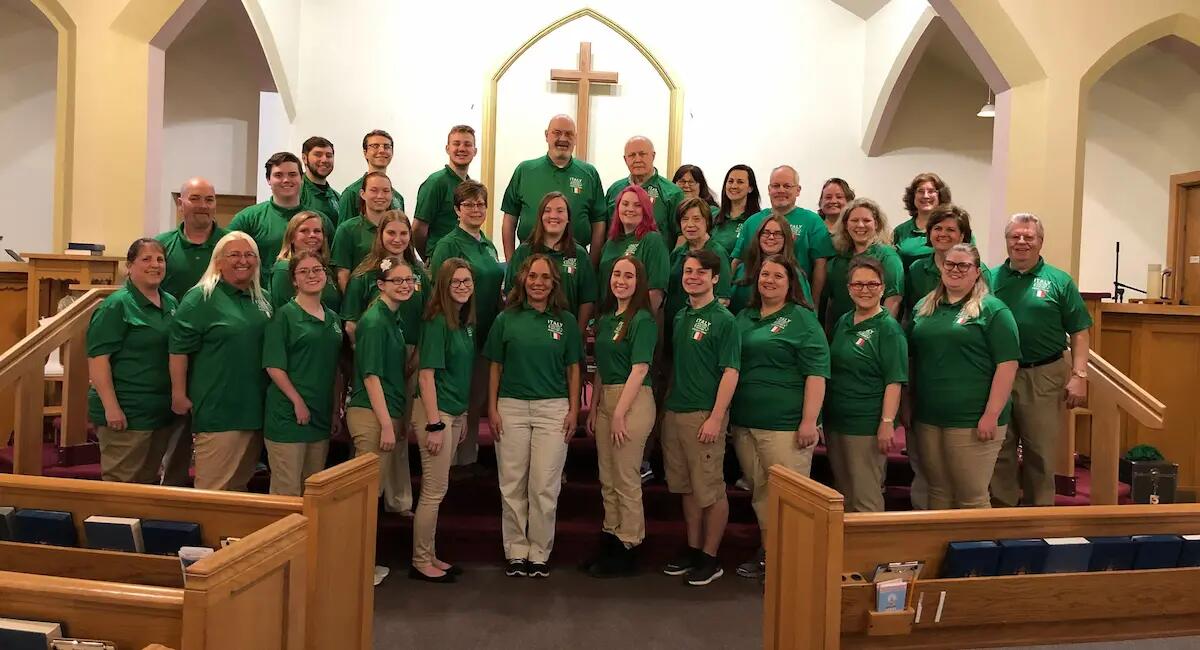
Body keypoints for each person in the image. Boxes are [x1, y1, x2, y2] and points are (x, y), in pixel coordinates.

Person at [730, 254, 828, 580]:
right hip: (745, 422)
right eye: (764, 275)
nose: (769, 280)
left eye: (777, 276)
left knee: (790, 498)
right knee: (761, 493)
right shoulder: (744, 317)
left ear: (791, 283)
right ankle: (770, 553)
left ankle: (793, 565)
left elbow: (816, 373)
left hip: (785, 425)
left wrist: (809, 421)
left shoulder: (802, 319)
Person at [485, 254, 583, 578]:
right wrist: (492, 407)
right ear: (522, 280)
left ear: (554, 283)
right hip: (511, 407)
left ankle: (540, 551)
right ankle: (516, 550)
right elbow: (495, 366)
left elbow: (573, 369)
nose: (538, 283)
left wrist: (573, 410)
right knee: (512, 483)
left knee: (544, 485)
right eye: (532, 276)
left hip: (553, 409)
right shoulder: (506, 319)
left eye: (544, 277)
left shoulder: (566, 321)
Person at [905, 243, 1020, 509]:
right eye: (950, 264)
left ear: (977, 271)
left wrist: (991, 415)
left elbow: (1007, 365)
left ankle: (975, 540)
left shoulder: (993, 310)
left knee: (971, 496)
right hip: (929, 417)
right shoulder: (924, 307)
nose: (955, 270)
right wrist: (907, 403)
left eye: (963, 265)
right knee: (937, 491)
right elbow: (912, 358)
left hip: (972, 419)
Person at [989, 213, 1091, 507]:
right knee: (999, 448)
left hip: (1043, 374)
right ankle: (1002, 512)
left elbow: (1080, 331)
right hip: (996, 375)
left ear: (1040, 242)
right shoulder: (988, 278)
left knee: (1040, 451)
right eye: (1015, 236)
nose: (1021, 242)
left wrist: (1079, 375)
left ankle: (1039, 516)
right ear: (1006, 241)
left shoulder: (1059, 281)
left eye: (1028, 237)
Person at [168, 231, 272, 491]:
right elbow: (178, 349)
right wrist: (179, 394)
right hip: (219, 409)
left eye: (249, 255)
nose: (243, 261)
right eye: (234, 255)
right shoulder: (200, 298)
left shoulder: (262, 299)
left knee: (238, 488)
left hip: (255, 408)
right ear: (218, 261)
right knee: (213, 491)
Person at [660, 249, 740, 586]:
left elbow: (731, 371)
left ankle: (710, 556)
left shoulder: (724, 320)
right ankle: (693, 549)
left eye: (701, 272)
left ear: (715, 278)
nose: (693, 277)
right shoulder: (681, 316)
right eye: (688, 271)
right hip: (676, 411)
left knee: (711, 489)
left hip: (703, 414)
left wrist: (716, 418)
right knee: (687, 487)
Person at [582, 256, 658, 578]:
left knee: (626, 478)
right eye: (616, 274)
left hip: (633, 401)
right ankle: (611, 536)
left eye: (629, 276)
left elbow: (639, 369)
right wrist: (595, 407)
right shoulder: (606, 319)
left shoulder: (642, 320)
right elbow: (601, 368)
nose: (621, 281)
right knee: (608, 477)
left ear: (638, 282)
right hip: (607, 401)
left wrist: (619, 414)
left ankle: (629, 544)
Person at [345, 255, 417, 585]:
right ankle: (357, 567)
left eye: (409, 280)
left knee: (373, 494)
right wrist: (387, 423)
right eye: (397, 281)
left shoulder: (393, 318)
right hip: (372, 415)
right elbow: (371, 376)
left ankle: (364, 563)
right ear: (380, 285)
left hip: (386, 411)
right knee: (366, 496)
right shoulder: (374, 321)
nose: (405, 286)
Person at [87, 238, 181, 484]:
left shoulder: (171, 302)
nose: (155, 265)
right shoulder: (116, 305)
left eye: (160, 259)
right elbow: (98, 360)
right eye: (146, 259)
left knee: (148, 485)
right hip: (127, 411)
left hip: (159, 412)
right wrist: (111, 408)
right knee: (121, 486)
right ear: (129, 266)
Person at [428, 181, 504, 472]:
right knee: (456, 398)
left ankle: (467, 458)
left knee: (475, 399)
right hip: (456, 334)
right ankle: (449, 464)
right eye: (469, 204)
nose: (476, 209)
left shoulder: (488, 244)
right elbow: (439, 291)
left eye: (480, 204)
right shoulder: (448, 244)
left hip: (484, 334)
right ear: (457, 210)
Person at [410, 257, 477, 583]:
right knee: (433, 490)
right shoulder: (437, 321)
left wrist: (462, 416)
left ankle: (430, 553)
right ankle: (421, 560)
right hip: (435, 413)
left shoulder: (464, 322)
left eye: (467, 281)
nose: (462, 287)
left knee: (440, 488)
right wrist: (436, 424)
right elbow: (426, 377)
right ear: (444, 286)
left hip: (453, 412)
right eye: (456, 282)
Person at [825, 256, 907, 513]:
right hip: (837, 422)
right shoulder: (844, 321)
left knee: (865, 498)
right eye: (858, 284)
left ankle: (872, 542)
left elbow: (894, 380)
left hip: (866, 425)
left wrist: (886, 422)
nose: (865, 290)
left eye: (872, 284)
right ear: (849, 289)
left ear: (883, 288)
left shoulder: (888, 329)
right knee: (844, 496)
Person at [262, 251, 341, 496]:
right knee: (287, 490)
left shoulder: (333, 318)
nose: (311, 275)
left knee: (313, 491)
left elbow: (335, 368)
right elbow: (274, 366)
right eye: (303, 271)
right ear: (294, 280)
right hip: (289, 415)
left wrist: (335, 409)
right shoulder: (285, 316)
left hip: (321, 415)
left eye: (317, 270)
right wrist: (297, 402)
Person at [500, 115, 606, 263]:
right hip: (529, 261)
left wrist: (591, 265)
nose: (563, 138)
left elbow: (599, 223)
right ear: (546, 135)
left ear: (575, 138)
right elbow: (509, 220)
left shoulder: (589, 174)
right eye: (557, 133)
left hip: (573, 262)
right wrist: (511, 262)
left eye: (569, 134)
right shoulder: (525, 171)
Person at [730, 165, 835, 307]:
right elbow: (737, 260)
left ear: (798, 190)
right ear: (769, 189)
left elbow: (820, 265)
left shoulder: (812, 221)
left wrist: (814, 304)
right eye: (776, 186)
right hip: (749, 298)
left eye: (787, 186)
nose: (781, 190)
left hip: (794, 299)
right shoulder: (752, 221)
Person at [230, 152, 335, 286]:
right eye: (278, 175)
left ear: (301, 178)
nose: (286, 180)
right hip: (262, 295)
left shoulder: (320, 220)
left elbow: (332, 263)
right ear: (268, 179)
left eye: (292, 174)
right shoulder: (247, 218)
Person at [504, 192, 598, 330]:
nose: (553, 216)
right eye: (547, 211)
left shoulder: (579, 255)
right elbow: (511, 292)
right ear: (540, 217)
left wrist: (578, 333)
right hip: (527, 331)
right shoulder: (523, 252)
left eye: (560, 211)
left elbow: (587, 299)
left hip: (566, 332)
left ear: (568, 218)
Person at [341, 210, 427, 343]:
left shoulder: (419, 273)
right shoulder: (363, 275)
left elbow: (429, 316)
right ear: (380, 234)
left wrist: (419, 351)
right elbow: (351, 325)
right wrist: (367, 349)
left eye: (403, 233)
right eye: (391, 233)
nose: (397, 239)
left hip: (415, 352)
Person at [824, 198, 904, 327]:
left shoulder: (887, 257)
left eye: (866, 220)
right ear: (846, 224)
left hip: (872, 330)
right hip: (841, 330)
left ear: (876, 224)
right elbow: (831, 300)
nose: (860, 225)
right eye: (854, 220)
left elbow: (893, 299)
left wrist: (876, 332)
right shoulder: (839, 257)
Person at [903, 203, 986, 317]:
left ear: (962, 236)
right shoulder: (916, 269)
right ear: (929, 233)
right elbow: (909, 312)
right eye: (938, 228)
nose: (943, 234)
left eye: (950, 230)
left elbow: (987, 309)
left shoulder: (977, 269)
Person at [597, 184, 670, 311]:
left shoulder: (652, 240)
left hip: (636, 318)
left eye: (637, 205)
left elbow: (656, 293)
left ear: (646, 210)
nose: (630, 209)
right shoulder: (610, 243)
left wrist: (635, 320)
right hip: (607, 317)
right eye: (625, 204)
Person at [665, 198, 732, 328]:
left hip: (701, 328)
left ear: (707, 221)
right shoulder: (677, 253)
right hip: (674, 325)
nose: (690, 225)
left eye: (696, 219)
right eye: (685, 219)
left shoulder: (718, 253)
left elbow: (723, 300)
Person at [157, 177, 227, 301]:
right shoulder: (161, 245)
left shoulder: (232, 243)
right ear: (180, 204)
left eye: (209, 200)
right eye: (195, 199)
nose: (203, 205)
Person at [605, 137, 685, 244]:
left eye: (642, 154)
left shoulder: (672, 193)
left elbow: (682, 235)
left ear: (653, 156)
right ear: (625, 159)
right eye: (632, 155)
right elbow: (605, 230)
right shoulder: (614, 190)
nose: (637, 160)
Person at [729, 214, 812, 314]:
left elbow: (804, 312)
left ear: (786, 238)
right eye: (766, 233)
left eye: (778, 234)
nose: (771, 237)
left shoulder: (795, 274)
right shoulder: (742, 269)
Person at [414, 125, 477, 258]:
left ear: (475, 151)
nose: (462, 148)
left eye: (467, 144)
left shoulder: (471, 186)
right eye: (456, 144)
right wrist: (431, 258)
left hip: (466, 259)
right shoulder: (436, 183)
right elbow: (418, 229)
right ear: (447, 149)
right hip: (442, 260)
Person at [332, 171, 399, 291]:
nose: (380, 196)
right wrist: (352, 300)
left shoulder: (399, 229)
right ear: (362, 194)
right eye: (374, 190)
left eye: (385, 191)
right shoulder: (347, 230)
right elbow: (342, 275)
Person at [268, 211, 341, 313]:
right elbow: (285, 313)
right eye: (304, 231)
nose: (312, 235)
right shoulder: (284, 269)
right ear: (291, 237)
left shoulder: (326, 268)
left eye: (317, 231)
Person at [337, 129, 405, 226]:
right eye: (375, 146)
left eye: (387, 147)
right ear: (365, 153)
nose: (382, 150)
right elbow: (345, 231)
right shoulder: (351, 194)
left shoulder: (398, 197)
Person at [892, 172, 952, 270]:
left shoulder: (955, 227)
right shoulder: (900, 231)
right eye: (920, 191)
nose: (925, 196)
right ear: (913, 196)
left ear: (940, 195)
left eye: (931, 191)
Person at [711, 165, 761, 256]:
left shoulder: (757, 220)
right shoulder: (713, 215)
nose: (734, 186)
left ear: (750, 188)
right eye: (730, 181)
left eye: (740, 182)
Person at [298, 136, 340, 228]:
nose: (324, 160)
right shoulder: (296, 192)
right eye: (318, 155)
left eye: (329, 156)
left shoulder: (337, 197)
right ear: (304, 158)